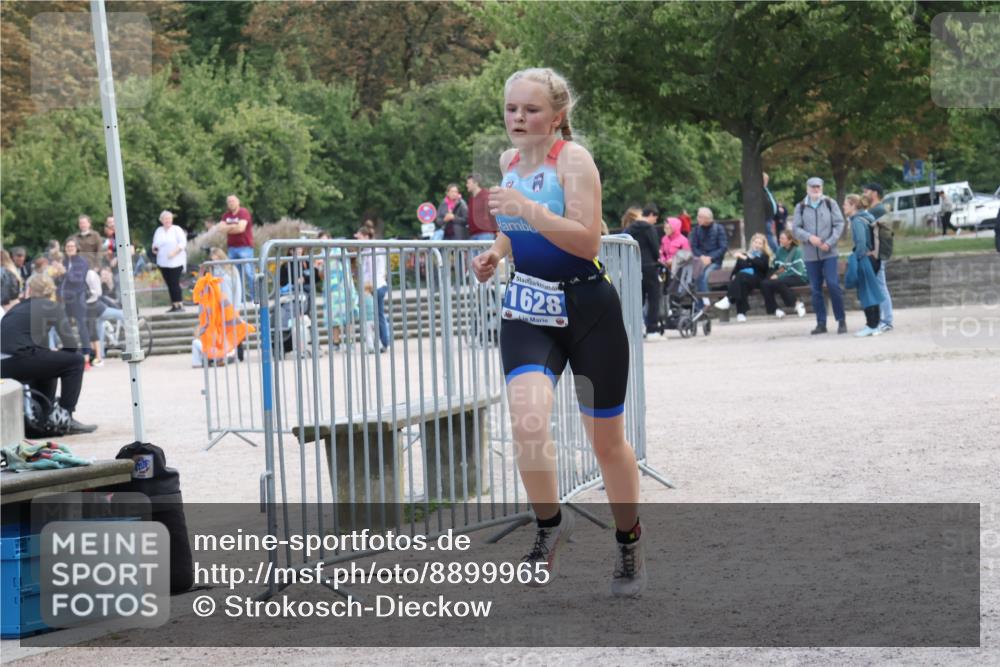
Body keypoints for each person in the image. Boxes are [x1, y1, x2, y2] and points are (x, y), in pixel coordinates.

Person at [471, 67, 645, 597]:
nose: (519, 120)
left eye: (531, 110)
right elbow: (512, 225)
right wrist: (496, 253)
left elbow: (587, 240)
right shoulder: (507, 164)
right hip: (528, 307)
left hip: (588, 306)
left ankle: (628, 538)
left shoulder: (573, 161)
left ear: (557, 115)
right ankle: (550, 527)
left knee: (606, 442)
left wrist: (525, 208)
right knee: (526, 422)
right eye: (511, 110)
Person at [1, 274, 96, 434]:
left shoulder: (17, 308)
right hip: (20, 359)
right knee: (76, 361)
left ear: (29, 290)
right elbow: (71, 346)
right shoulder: (52, 307)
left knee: (49, 364)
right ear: (50, 291)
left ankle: (43, 419)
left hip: (4, 364)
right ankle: (64, 416)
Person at [792, 177, 847, 335]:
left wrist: (829, 242)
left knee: (833, 284)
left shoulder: (830, 203)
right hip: (810, 254)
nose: (816, 189)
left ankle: (841, 320)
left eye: (818, 187)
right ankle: (821, 323)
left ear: (822, 188)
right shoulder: (801, 206)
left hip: (829, 252)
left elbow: (839, 224)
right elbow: (796, 229)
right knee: (815, 289)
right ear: (807, 188)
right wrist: (810, 238)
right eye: (813, 187)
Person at [843, 194, 885, 337]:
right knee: (872, 291)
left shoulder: (857, 221)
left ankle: (871, 325)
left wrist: (858, 256)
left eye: (846, 204)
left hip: (865, 259)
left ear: (854, 205)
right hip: (874, 258)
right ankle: (876, 324)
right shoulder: (868, 217)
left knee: (866, 293)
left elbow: (861, 243)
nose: (844, 206)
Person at [712, 233, 771, 322]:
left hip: (757, 280)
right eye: (756, 242)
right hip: (744, 281)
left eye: (760, 243)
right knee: (741, 282)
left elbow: (762, 267)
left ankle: (729, 299)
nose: (757, 245)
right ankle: (740, 314)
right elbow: (736, 270)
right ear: (752, 243)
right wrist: (733, 276)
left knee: (740, 276)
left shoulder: (764, 256)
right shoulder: (744, 255)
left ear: (763, 246)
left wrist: (745, 258)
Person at [624, 204, 662, 335]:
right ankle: (652, 329)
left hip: (634, 266)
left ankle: (635, 328)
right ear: (651, 215)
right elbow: (655, 248)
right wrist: (657, 258)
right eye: (655, 218)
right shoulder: (649, 228)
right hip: (649, 266)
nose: (655, 221)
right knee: (653, 298)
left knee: (637, 298)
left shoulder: (630, 228)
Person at [862, 182, 893, 333]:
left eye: (866, 191)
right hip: (877, 253)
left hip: (878, 254)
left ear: (874, 193)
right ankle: (883, 319)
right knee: (879, 286)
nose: (864, 194)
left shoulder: (878, 210)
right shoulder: (875, 210)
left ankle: (886, 320)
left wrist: (876, 253)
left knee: (881, 286)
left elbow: (885, 235)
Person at [354, 226, 390, 352]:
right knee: (378, 314)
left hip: (373, 285)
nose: (357, 240)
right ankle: (383, 341)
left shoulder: (369, 251)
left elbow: (370, 271)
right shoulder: (373, 249)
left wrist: (367, 285)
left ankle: (383, 341)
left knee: (375, 315)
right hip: (378, 284)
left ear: (365, 236)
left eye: (359, 237)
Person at [759, 230, 807, 318]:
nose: (780, 240)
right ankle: (775, 309)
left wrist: (778, 275)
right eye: (780, 238)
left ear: (790, 240)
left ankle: (797, 304)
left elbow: (797, 271)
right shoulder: (779, 250)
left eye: (782, 238)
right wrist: (771, 275)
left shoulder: (797, 251)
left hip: (799, 277)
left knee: (778, 282)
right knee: (764, 284)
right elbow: (775, 266)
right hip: (784, 277)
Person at [216, 195, 254, 303]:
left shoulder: (243, 212)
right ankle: (240, 300)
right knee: (235, 274)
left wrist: (228, 228)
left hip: (245, 247)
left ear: (238, 202)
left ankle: (254, 299)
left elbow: (241, 229)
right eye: (229, 201)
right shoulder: (226, 215)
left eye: (233, 201)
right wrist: (233, 226)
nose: (231, 203)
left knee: (249, 273)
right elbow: (220, 229)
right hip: (232, 248)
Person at [59, 239, 92, 360]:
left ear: (77, 248)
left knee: (81, 326)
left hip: (78, 298)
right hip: (64, 299)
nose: (70, 248)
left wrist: (64, 272)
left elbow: (77, 280)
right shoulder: (64, 261)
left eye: (72, 246)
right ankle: (70, 354)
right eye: (67, 246)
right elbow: (61, 282)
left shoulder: (82, 262)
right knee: (64, 327)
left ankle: (87, 356)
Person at [152, 210, 187, 313]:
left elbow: (182, 243)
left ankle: (179, 304)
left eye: (169, 218)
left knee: (174, 283)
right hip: (163, 262)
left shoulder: (177, 229)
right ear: (161, 220)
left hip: (176, 261)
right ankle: (174, 304)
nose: (167, 220)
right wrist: (154, 249)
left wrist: (174, 252)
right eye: (165, 219)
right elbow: (155, 244)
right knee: (169, 284)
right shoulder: (159, 230)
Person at [689, 206, 728, 294]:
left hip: (715, 262)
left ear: (706, 218)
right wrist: (702, 257)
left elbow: (723, 247)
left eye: (699, 216)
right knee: (697, 275)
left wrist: (710, 258)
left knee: (705, 276)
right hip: (701, 261)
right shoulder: (696, 230)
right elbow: (694, 247)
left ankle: (705, 302)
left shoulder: (719, 228)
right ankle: (701, 304)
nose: (697, 219)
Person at [466, 173, 498, 242]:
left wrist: (497, 230)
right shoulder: (471, 199)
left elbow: (493, 214)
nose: (467, 185)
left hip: (485, 234)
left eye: (468, 183)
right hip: (473, 235)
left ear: (475, 183)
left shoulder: (486, 196)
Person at [762, 172, 779, 253]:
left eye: (766, 180)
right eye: (764, 180)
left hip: (771, 218)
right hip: (765, 218)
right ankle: (777, 251)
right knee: (769, 236)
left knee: (771, 236)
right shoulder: (760, 191)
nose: (765, 181)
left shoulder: (767, 191)